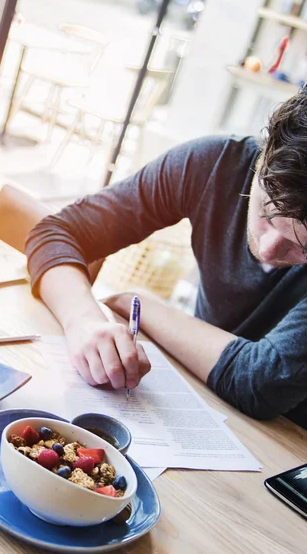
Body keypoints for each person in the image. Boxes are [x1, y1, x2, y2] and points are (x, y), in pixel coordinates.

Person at [26, 90, 307, 429]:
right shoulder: (216, 164)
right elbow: (57, 233)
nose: (268, 249)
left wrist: (141, 304)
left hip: (286, 440)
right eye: (267, 211)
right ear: (263, 155)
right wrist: (83, 320)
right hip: (196, 390)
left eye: (302, 247)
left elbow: (262, 383)